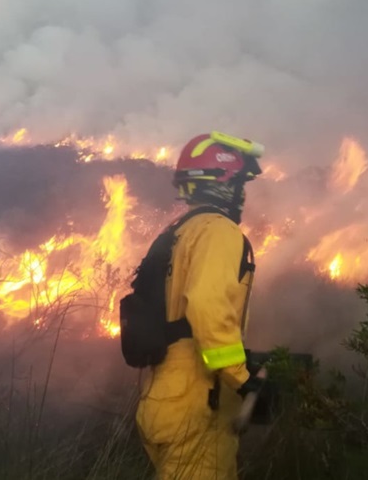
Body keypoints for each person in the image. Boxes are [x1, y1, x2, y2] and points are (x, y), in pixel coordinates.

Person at [135, 132, 265, 480]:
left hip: (163, 398)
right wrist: (243, 378)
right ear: (224, 182)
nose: (242, 194)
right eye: (240, 184)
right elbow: (206, 305)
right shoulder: (219, 231)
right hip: (198, 404)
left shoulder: (179, 232)